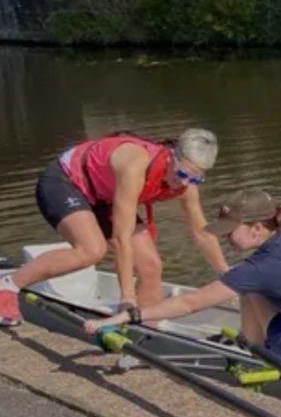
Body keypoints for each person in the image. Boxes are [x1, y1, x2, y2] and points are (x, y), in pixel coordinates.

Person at [81, 189, 281, 368]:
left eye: (230, 230)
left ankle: (255, 352)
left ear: (257, 228)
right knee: (264, 289)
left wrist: (127, 317)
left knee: (249, 289)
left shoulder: (258, 268)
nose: (225, 237)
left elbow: (189, 304)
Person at [0, 129, 227, 326]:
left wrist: (226, 275)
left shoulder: (186, 185)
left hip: (105, 195)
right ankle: (8, 286)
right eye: (182, 174)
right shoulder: (135, 165)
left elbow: (202, 233)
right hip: (66, 182)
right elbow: (121, 238)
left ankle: (146, 331)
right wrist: (126, 296)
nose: (185, 183)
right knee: (91, 251)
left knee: (151, 266)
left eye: (195, 179)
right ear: (170, 156)